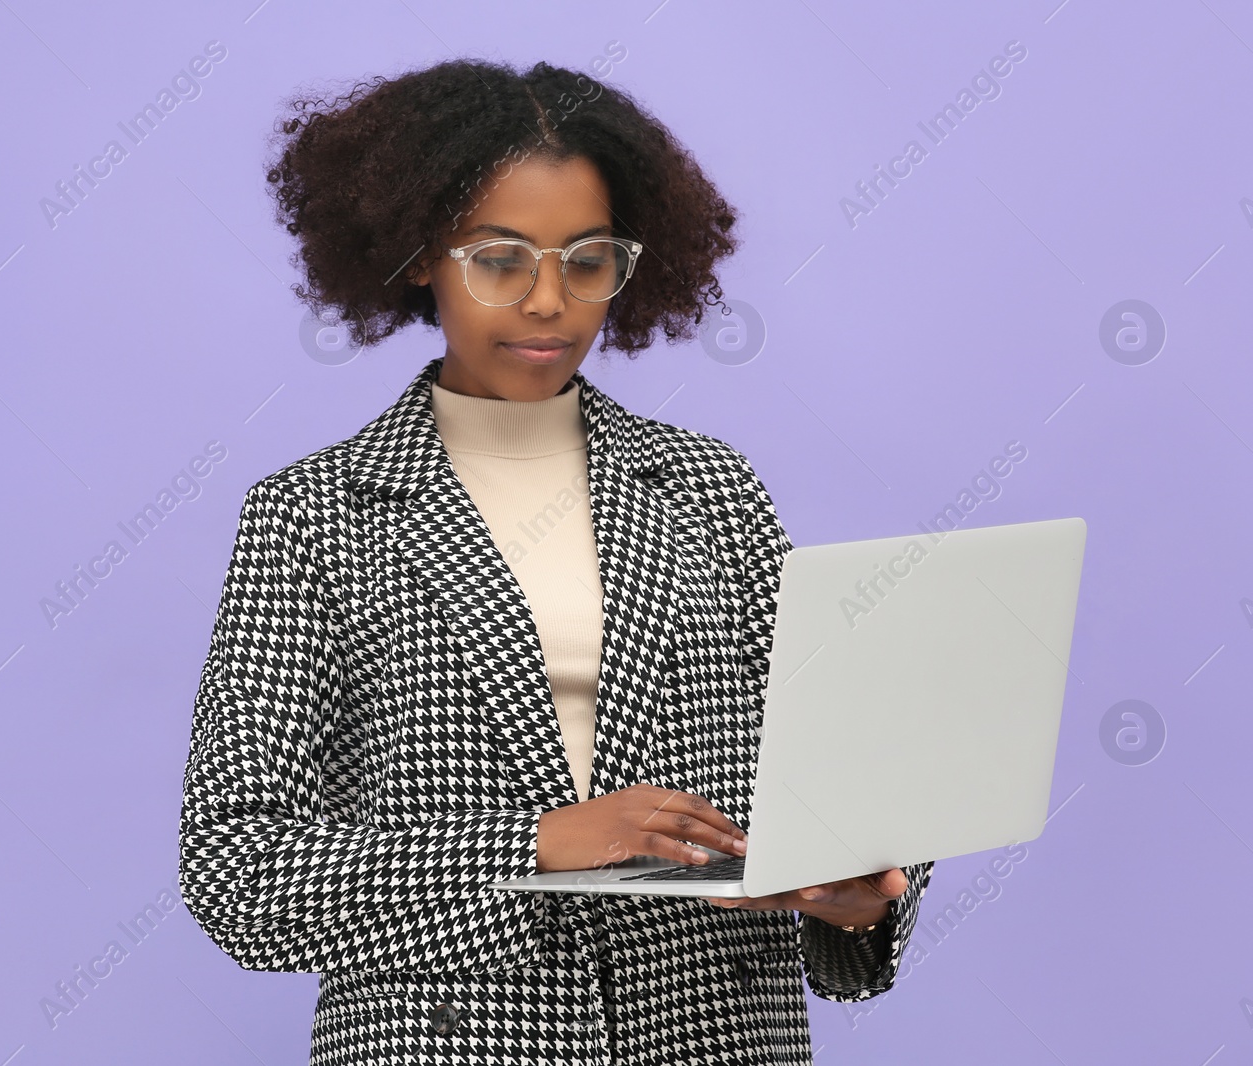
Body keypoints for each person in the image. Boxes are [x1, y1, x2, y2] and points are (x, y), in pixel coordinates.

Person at [178, 57, 932, 1065]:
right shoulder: (313, 518)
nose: (548, 300)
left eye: (586, 260)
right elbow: (240, 871)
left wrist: (860, 890)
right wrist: (533, 843)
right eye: (500, 258)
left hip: (713, 1035)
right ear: (417, 257)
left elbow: (834, 774)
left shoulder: (710, 490)